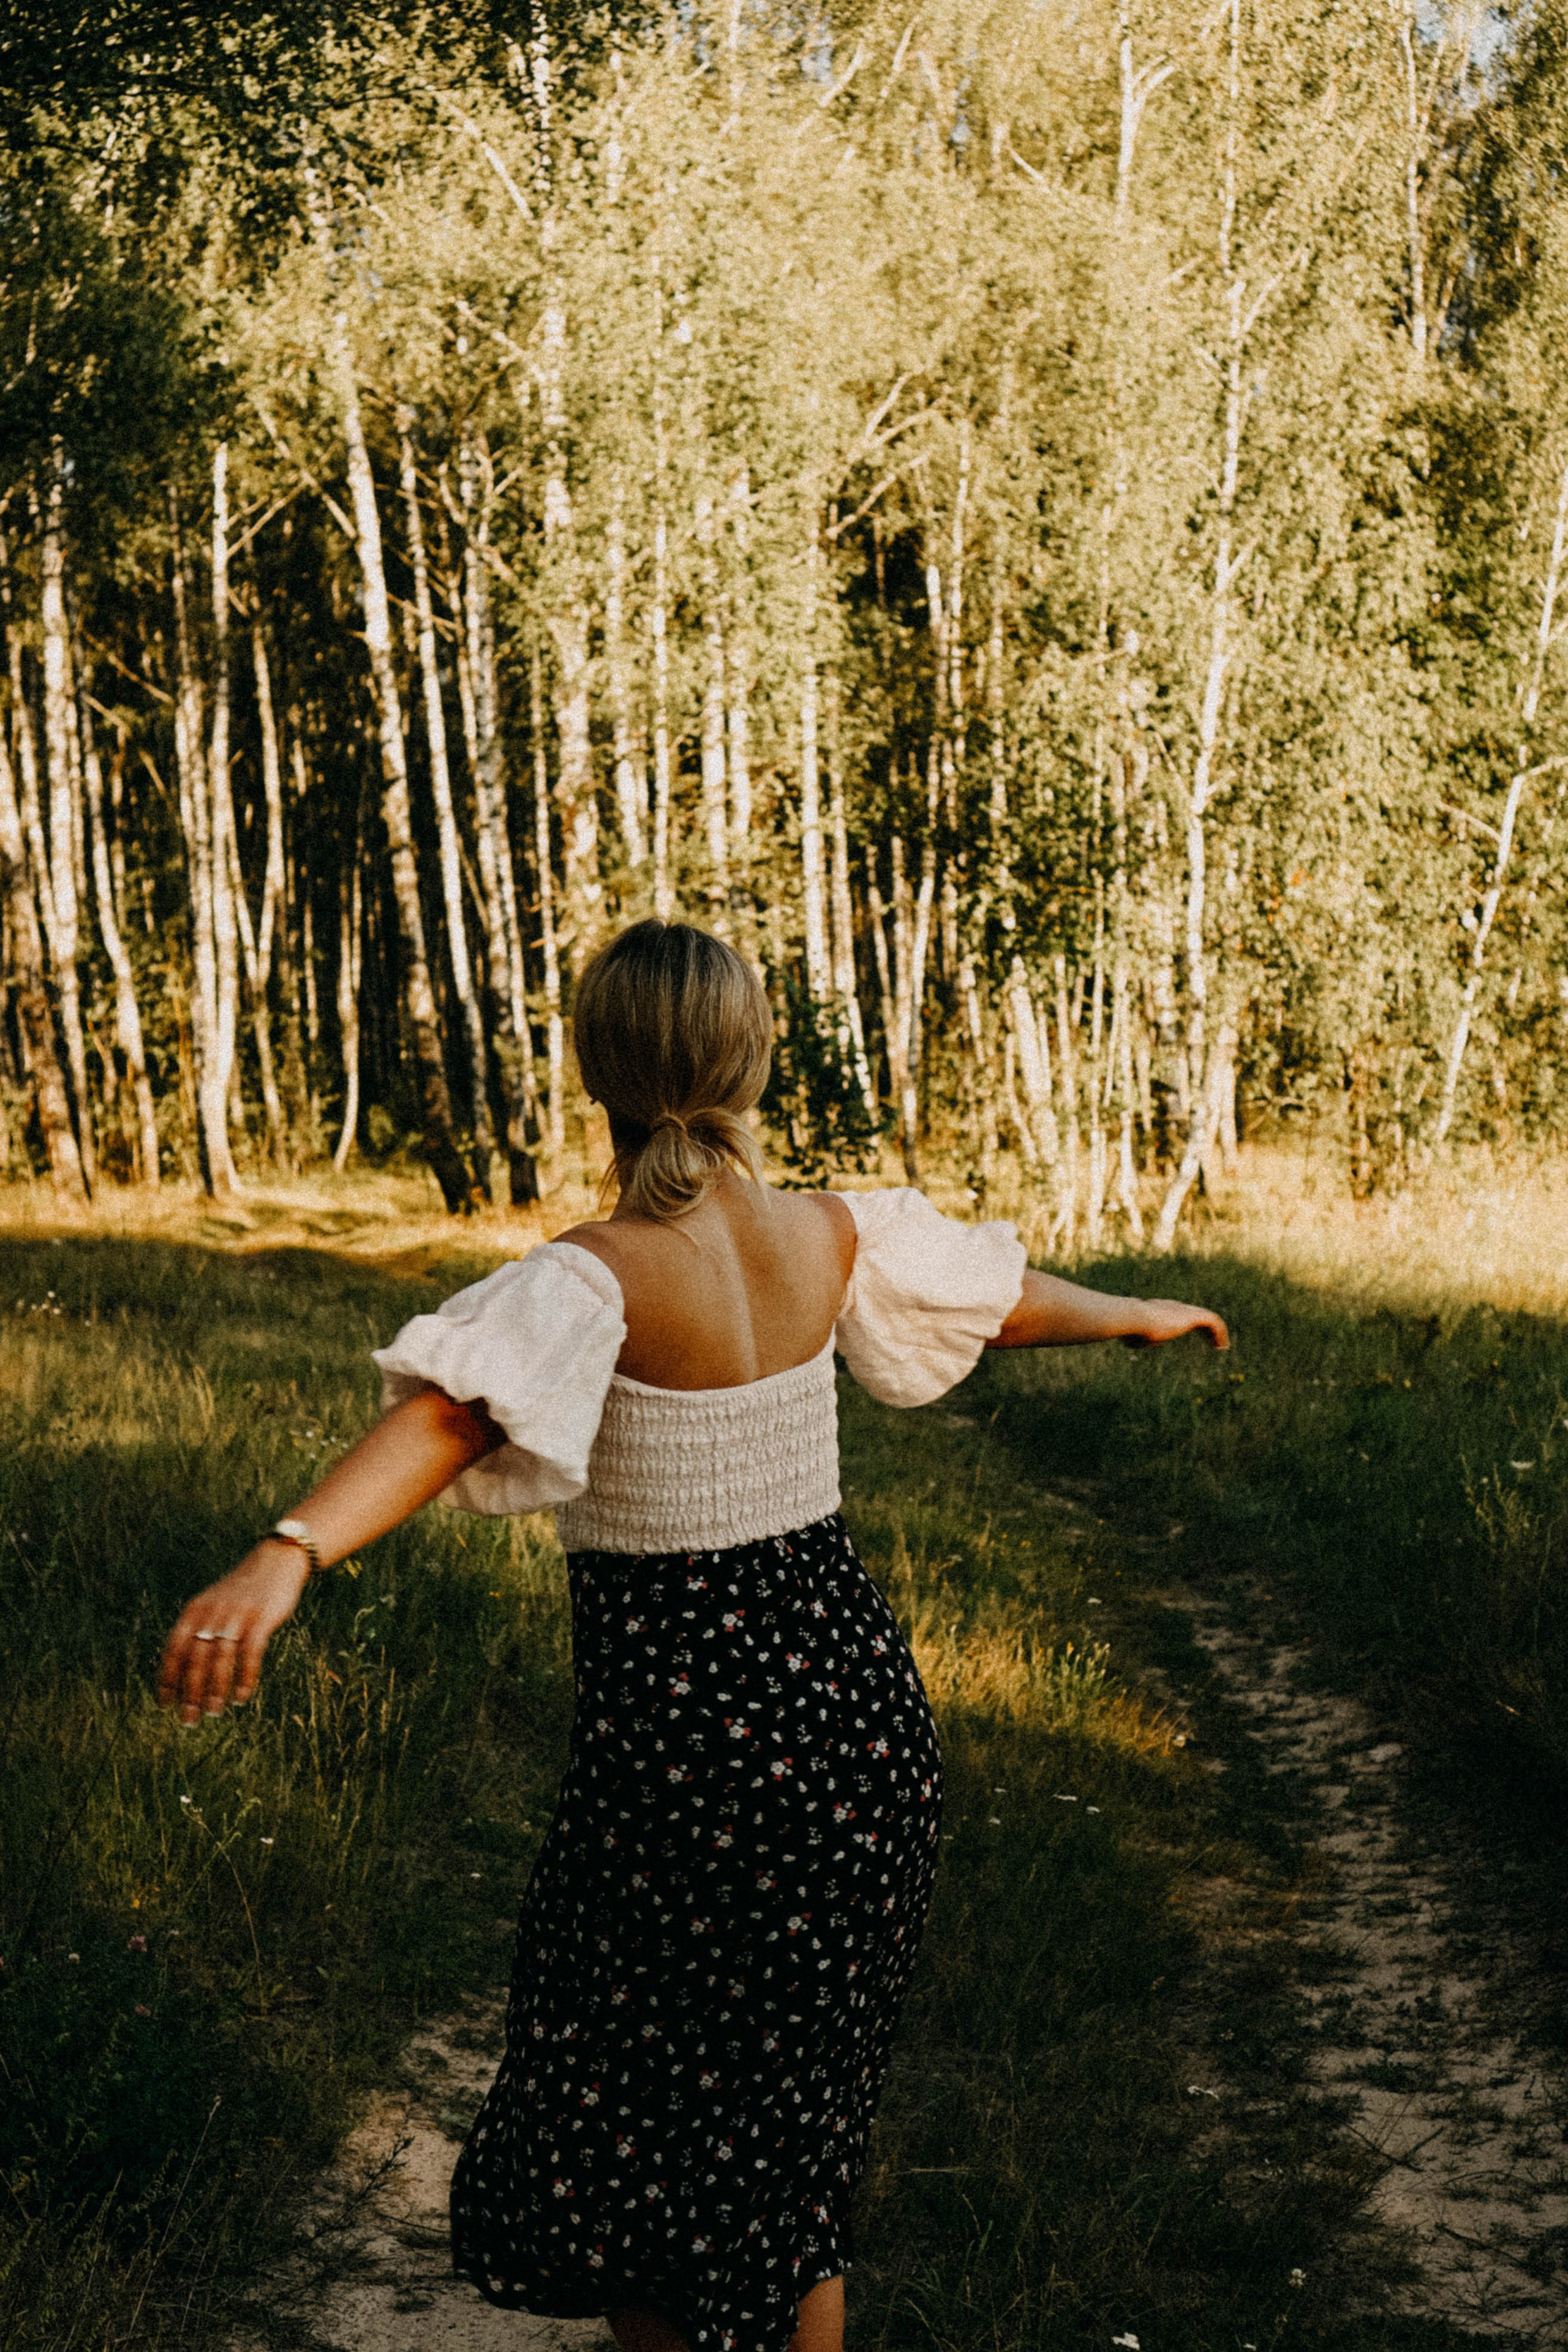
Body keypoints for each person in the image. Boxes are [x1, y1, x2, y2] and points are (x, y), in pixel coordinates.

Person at [158, 919, 1227, 2352]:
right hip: (855, 1733)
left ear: (595, 1067)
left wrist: (286, 1552)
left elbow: (444, 1415)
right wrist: (1138, 1315)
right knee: (789, 2135)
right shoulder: (835, 1234)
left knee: (638, 2147)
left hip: (690, 1764)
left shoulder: (593, 1275)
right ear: (753, 1059)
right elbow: (1007, 1301)